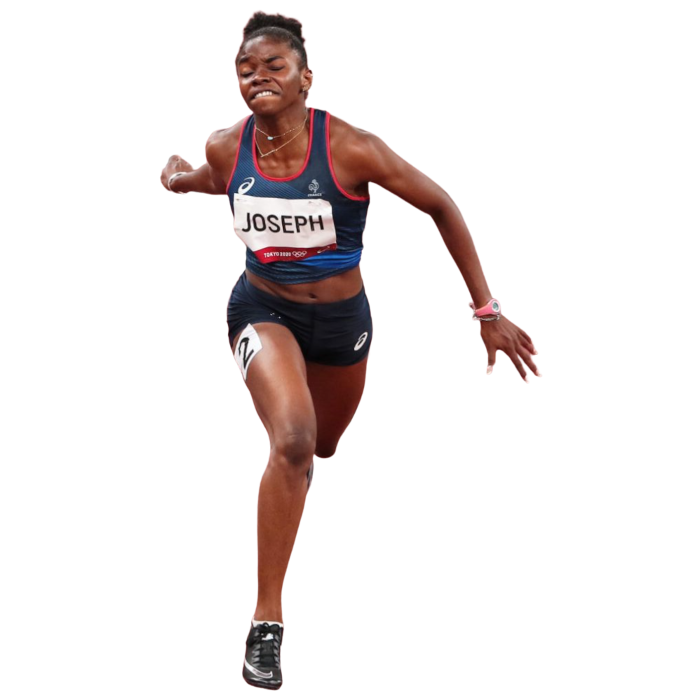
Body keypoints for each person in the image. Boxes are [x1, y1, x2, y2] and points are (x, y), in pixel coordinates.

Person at [159, 10, 542, 691]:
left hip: (342, 324)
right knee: (294, 440)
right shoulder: (227, 143)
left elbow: (442, 206)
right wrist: (177, 178)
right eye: (245, 70)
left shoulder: (351, 148)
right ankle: (267, 620)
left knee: (325, 448)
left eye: (274, 66)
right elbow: (214, 180)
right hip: (260, 309)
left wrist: (487, 312)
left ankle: (299, 468)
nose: (257, 78)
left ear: (306, 77)